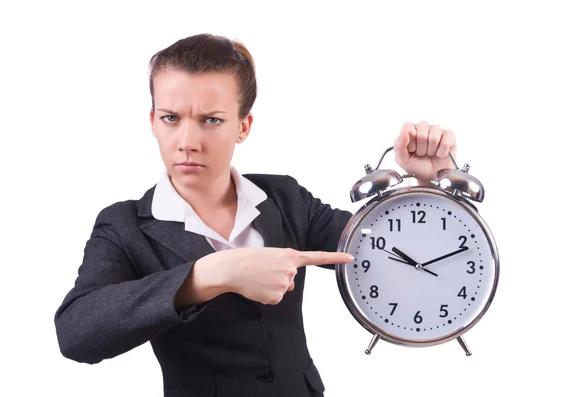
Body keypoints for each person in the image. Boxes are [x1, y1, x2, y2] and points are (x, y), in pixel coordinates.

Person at [54, 33, 457, 397]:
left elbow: (393, 254)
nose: (187, 142)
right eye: (171, 118)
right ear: (152, 122)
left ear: (243, 126)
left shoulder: (284, 198)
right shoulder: (125, 226)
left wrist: (421, 185)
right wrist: (211, 275)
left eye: (211, 120)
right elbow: (76, 333)